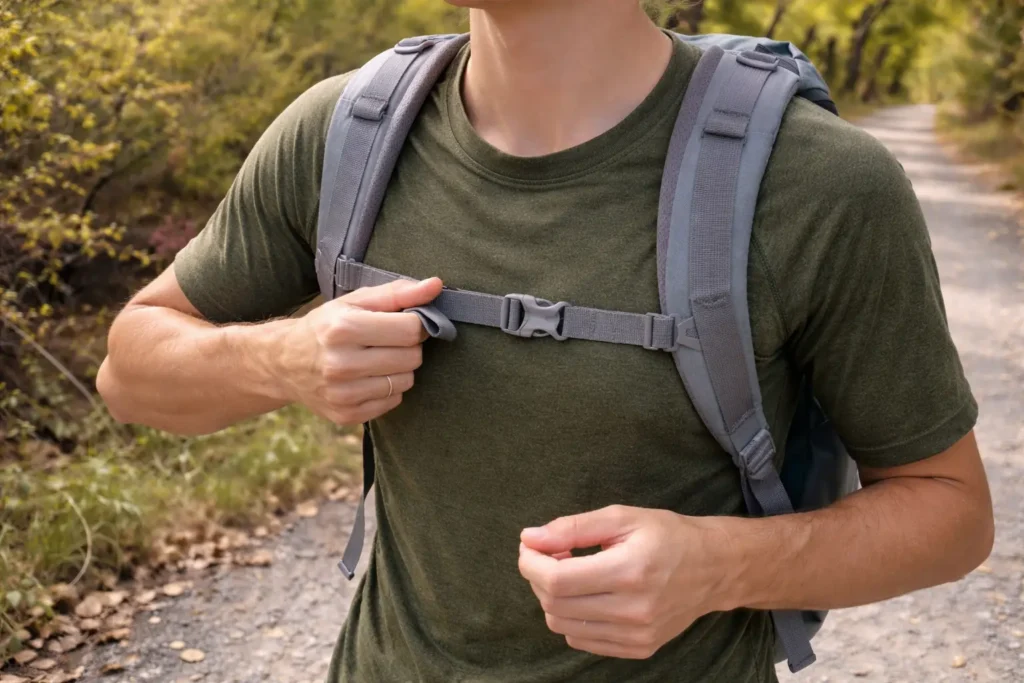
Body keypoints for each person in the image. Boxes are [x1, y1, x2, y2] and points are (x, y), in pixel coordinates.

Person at [96, 1, 994, 682]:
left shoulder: (821, 186)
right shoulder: (346, 135)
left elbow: (950, 510)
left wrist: (719, 566)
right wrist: (280, 359)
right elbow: (131, 367)